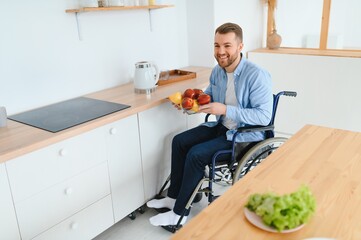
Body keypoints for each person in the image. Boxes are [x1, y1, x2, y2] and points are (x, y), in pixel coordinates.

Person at [146, 22, 273, 227]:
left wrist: (224, 109)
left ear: (240, 47)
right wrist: (190, 103)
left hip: (245, 136)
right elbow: (208, 97)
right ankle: (175, 197)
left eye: (227, 46)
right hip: (223, 128)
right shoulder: (218, 71)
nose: (220, 51)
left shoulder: (257, 75)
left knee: (196, 154)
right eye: (216, 45)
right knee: (179, 141)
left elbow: (264, 117)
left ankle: (180, 214)